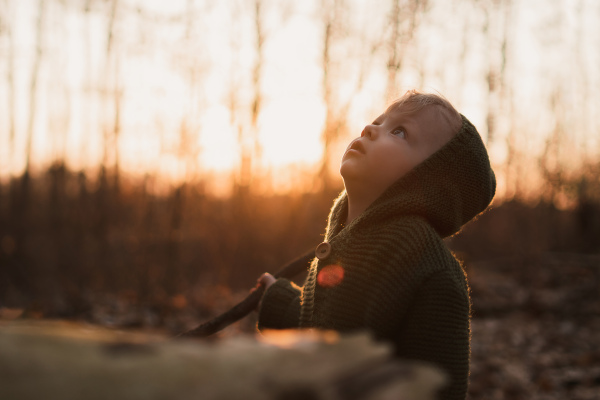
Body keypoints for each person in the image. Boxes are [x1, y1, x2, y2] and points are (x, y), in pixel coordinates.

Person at [255, 89, 496, 400]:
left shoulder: (422, 261)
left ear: (427, 179)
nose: (369, 129)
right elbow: (332, 329)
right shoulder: (349, 236)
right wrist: (280, 302)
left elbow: (440, 385)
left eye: (399, 131)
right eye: (377, 122)